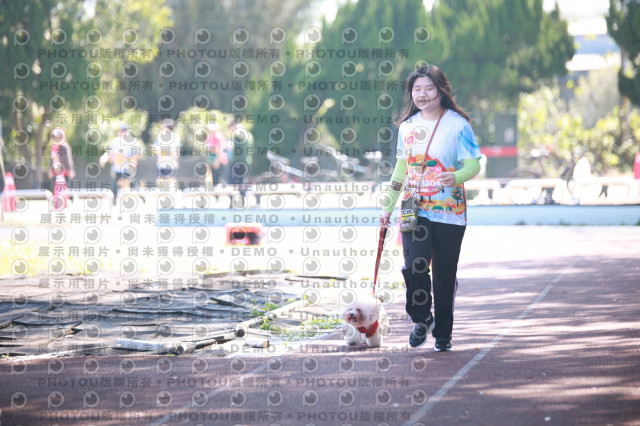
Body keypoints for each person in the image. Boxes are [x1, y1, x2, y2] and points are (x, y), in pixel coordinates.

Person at [380, 64, 481, 352]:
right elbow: (401, 169)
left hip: (450, 211)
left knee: (444, 276)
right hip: (413, 208)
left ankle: (443, 333)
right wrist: (387, 206)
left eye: (428, 88)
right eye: (417, 89)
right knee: (415, 266)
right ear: (411, 93)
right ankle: (422, 318)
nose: (422, 94)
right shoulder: (407, 127)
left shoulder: (458, 125)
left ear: (441, 90)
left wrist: (456, 176)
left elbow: (474, 164)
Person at [106, 123, 142, 203]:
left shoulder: (131, 141)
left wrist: (131, 160)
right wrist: (107, 158)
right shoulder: (116, 141)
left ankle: (140, 197)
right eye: (121, 131)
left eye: (124, 131)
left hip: (127, 168)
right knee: (116, 183)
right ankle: (115, 201)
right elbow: (110, 153)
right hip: (117, 168)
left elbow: (137, 153)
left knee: (130, 183)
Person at [152, 118, 181, 184]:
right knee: (161, 183)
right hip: (162, 164)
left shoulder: (176, 137)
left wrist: (166, 152)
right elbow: (154, 148)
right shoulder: (160, 136)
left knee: (171, 183)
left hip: (171, 164)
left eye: (163, 125)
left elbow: (177, 154)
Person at [205, 122, 228, 186]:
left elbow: (221, 150)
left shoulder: (218, 137)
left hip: (219, 162)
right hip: (213, 161)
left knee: (220, 181)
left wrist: (217, 160)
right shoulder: (209, 137)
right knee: (215, 181)